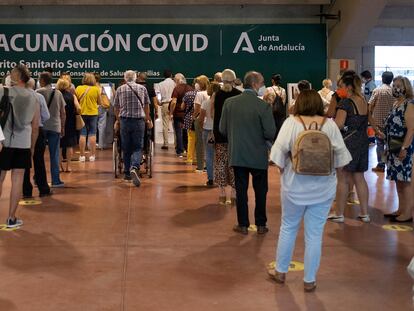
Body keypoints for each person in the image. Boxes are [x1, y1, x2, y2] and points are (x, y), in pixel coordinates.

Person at [268, 90, 352, 292]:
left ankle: (280, 271)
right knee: (314, 234)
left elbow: (277, 156)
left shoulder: (291, 123)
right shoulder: (329, 125)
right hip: (323, 189)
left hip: (294, 187)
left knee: (288, 227)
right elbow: (342, 160)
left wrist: (286, 171)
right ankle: (310, 280)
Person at [220, 71, 276, 234]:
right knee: (260, 191)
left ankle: (243, 224)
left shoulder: (229, 103)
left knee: (241, 190)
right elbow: (270, 133)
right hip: (258, 155)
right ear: (255, 84)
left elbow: (223, 129)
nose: (263, 86)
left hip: (238, 154)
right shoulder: (263, 106)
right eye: (262, 82)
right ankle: (261, 224)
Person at [328, 72, 375, 223]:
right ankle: (365, 213)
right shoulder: (363, 100)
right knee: (359, 177)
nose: (338, 89)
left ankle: (339, 213)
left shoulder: (346, 103)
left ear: (348, 86)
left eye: (341, 86)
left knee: (342, 179)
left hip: (347, 143)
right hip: (362, 142)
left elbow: (339, 124)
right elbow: (368, 120)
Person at [0, 64, 40, 228]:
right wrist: (31, 147)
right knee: (17, 180)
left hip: (4, 142)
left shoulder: (4, 91)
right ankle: (11, 218)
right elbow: (36, 125)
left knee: (0, 177)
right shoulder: (34, 96)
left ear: (15, 77)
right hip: (23, 143)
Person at [383, 76, 414, 222]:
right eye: (394, 85)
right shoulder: (396, 103)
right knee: (398, 180)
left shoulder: (409, 104)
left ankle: (408, 212)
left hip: (403, 145)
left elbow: (411, 128)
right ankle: (401, 209)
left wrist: (404, 148)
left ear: (406, 87)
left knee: (406, 180)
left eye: (399, 85)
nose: (395, 88)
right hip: (392, 145)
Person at [113, 70, 152, 187]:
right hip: (139, 121)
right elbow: (146, 106)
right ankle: (134, 167)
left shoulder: (120, 89)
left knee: (126, 147)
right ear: (135, 78)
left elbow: (116, 107)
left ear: (125, 78)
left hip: (124, 120)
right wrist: (148, 120)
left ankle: (127, 173)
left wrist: (118, 120)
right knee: (138, 146)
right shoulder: (142, 88)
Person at [213, 69, 241, 205]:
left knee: (220, 163)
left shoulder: (217, 95)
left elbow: (214, 116)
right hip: (235, 136)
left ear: (222, 80)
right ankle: (234, 193)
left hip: (219, 135)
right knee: (234, 164)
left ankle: (222, 194)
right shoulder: (239, 95)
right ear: (234, 80)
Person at [37, 71, 66, 188]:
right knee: (54, 154)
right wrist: (63, 126)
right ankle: (56, 180)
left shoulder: (37, 92)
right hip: (55, 126)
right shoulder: (58, 93)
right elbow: (63, 113)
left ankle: (39, 180)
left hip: (41, 127)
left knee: (38, 155)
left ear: (42, 81)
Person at [23, 78, 51, 199]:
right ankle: (43, 188)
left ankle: (26, 190)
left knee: (23, 162)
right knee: (39, 161)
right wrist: (39, 122)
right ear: (34, 85)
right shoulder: (39, 97)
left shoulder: (18, 96)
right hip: (38, 131)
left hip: (22, 131)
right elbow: (46, 115)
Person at [368, 71, 395, 173]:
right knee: (391, 144)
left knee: (380, 144)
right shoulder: (394, 91)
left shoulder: (377, 90)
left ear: (382, 78)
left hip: (378, 123)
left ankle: (381, 165)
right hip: (392, 123)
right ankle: (391, 165)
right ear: (391, 79)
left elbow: (370, 106)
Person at [75, 72, 101, 162]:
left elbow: (76, 100)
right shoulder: (96, 89)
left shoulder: (78, 88)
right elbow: (99, 102)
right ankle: (92, 156)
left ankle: (82, 156)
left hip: (82, 113)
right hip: (93, 113)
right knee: (92, 133)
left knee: (82, 134)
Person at [199, 82, 221, 186]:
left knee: (208, 154)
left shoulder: (205, 103)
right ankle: (219, 177)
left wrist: (201, 127)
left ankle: (210, 178)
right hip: (219, 131)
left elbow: (201, 119)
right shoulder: (222, 103)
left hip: (207, 129)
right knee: (219, 154)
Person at [57, 78, 80, 173]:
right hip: (70, 122)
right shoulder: (72, 96)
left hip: (58, 122)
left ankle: (59, 166)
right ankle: (68, 166)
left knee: (59, 146)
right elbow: (79, 108)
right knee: (69, 145)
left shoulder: (56, 95)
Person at [170, 73, 192, 157]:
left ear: (178, 80)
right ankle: (187, 149)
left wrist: (171, 113)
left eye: (175, 80)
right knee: (186, 132)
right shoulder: (190, 88)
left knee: (178, 132)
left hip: (178, 114)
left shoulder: (177, 88)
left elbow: (174, 102)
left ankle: (180, 150)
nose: (175, 82)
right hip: (187, 113)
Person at [154, 69, 176, 150]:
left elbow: (157, 94)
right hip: (174, 103)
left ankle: (166, 143)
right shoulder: (175, 83)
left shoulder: (160, 84)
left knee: (165, 124)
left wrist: (159, 102)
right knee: (176, 124)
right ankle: (176, 143)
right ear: (171, 75)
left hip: (165, 104)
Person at [193, 75, 210, 172]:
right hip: (209, 121)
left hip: (200, 120)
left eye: (198, 83)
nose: (196, 85)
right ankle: (208, 165)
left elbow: (197, 109)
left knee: (199, 143)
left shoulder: (199, 94)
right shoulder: (211, 93)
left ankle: (200, 166)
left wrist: (193, 117)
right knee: (209, 144)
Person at [182, 82, 197, 165]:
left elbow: (182, 106)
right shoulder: (206, 94)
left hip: (189, 118)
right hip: (201, 119)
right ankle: (198, 158)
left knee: (191, 139)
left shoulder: (188, 94)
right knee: (200, 141)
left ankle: (190, 158)